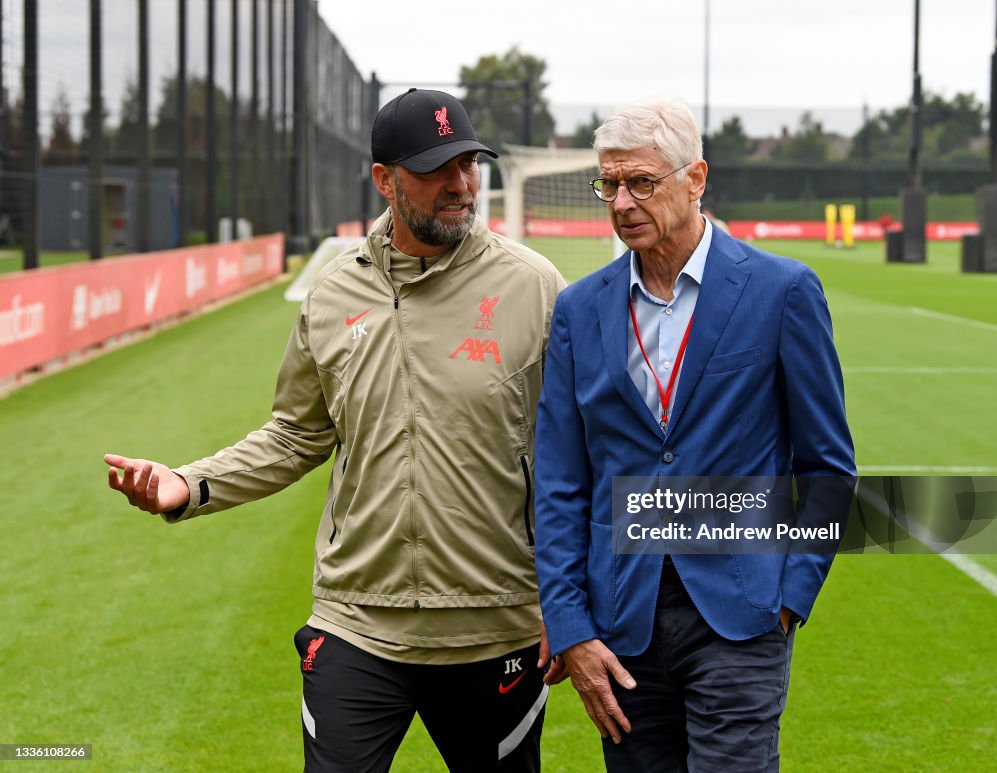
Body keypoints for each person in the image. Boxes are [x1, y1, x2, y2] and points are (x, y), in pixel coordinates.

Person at [104, 88, 566, 772]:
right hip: (357, 623)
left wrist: (571, 597)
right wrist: (190, 483)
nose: (461, 185)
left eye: (468, 164)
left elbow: (578, 451)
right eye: (437, 168)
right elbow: (296, 433)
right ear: (384, 179)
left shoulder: (535, 286)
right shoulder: (332, 296)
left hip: (493, 626)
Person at [533, 97, 855, 772]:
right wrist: (570, 626)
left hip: (742, 616)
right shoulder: (578, 309)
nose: (622, 201)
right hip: (621, 624)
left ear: (696, 177)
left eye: (642, 182)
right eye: (610, 184)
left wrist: (790, 597)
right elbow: (561, 481)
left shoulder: (783, 291)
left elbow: (826, 468)